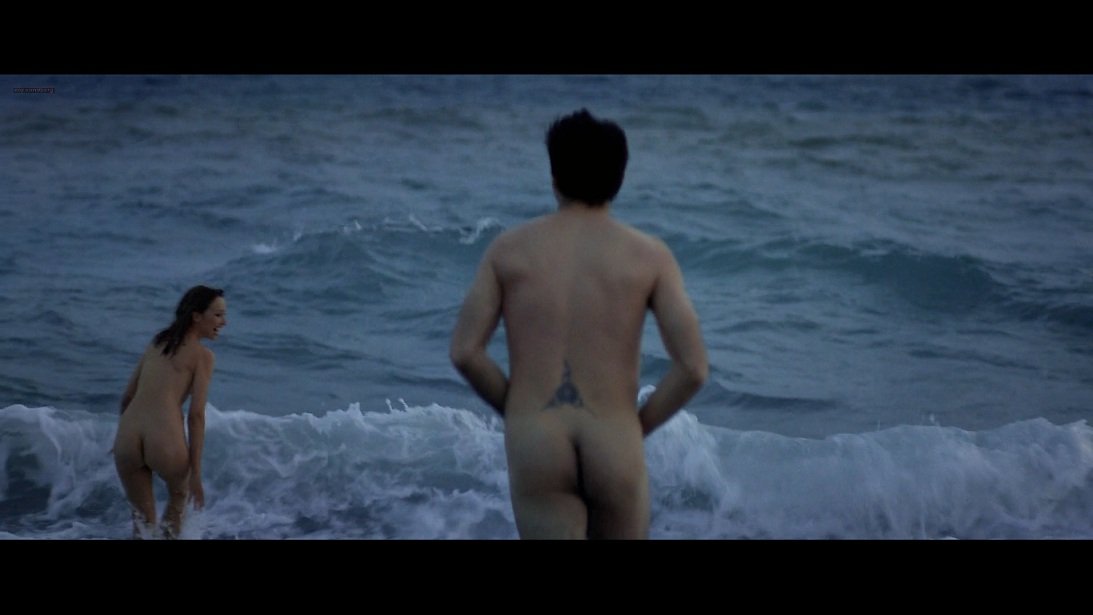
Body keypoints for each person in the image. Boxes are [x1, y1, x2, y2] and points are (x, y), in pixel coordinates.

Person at [450, 109, 708, 539]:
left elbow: (465, 352)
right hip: (614, 439)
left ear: (554, 176)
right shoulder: (649, 256)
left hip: (538, 440)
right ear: (619, 179)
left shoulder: (508, 250)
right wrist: (636, 427)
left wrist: (517, 409)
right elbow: (694, 368)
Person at [112, 285, 226, 538]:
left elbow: (128, 397)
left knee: (142, 523)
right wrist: (195, 473)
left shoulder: (158, 342)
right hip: (163, 438)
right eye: (218, 315)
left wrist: (121, 438)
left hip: (128, 436)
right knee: (178, 498)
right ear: (197, 316)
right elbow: (196, 416)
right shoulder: (203, 356)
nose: (224, 322)